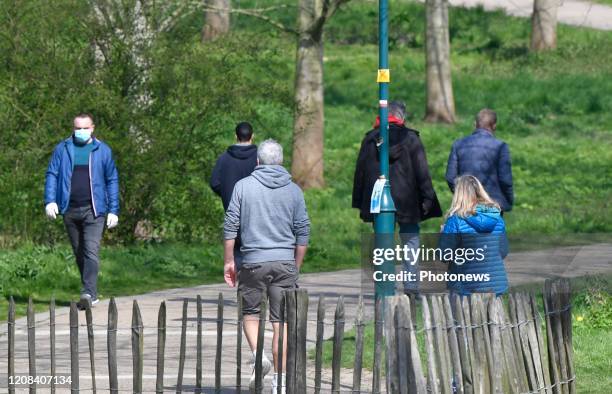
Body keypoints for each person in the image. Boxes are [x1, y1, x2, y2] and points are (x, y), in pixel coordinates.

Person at [223, 139, 310, 393]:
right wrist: (296, 264)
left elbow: (230, 226)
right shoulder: (294, 190)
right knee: (280, 322)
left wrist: (229, 260)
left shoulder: (243, 187)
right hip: (284, 262)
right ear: (281, 162)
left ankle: (257, 355)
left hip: (252, 261)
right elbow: (302, 230)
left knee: (250, 313)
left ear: (257, 161)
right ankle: (280, 384)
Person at [352, 101, 442, 296]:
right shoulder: (411, 139)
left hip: (378, 200)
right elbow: (422, 171)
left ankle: (385, 286)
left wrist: (359, 201)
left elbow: (360, 172)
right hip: (408, 199)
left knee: (383, 242)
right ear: (402, 117)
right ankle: (411, 286)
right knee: (410, 240)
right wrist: (428, 196)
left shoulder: (370, 139)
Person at [44, 113, 120, 310]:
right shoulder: (62, 149)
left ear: (92, 128)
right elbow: (52, 173)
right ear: (73, 128)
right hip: (69, 209)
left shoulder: (103, 151)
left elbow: (112, 179)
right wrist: (50, 200)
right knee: (79, 253)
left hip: (94, 211)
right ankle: (90, 290)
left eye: (85, 128)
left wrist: (113, 210)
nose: (81, 131)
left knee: (90, 250)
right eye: (78, 128)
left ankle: (88, 293)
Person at [439, 175, 509, 295]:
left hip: (465, 287)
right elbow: (503, 251)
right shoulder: (497, 217)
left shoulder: (455, 220)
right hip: (495, 285)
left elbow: (444, 255)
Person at [445, 108, 514, 213]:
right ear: (494, 126)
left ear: (475, 124)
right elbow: (505, 180)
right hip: (493, 205)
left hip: (466, 206)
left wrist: (462, 195)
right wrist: (508, 200)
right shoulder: (500, 147)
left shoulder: (458, 144)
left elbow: (450, 177)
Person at [210, 122, 258, 269]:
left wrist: (227, 194)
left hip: (233, 212)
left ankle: (242, 284)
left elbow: (214, 183)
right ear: (252, 136)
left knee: (237, 251)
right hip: (257, 213)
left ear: (236, 136)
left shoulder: (224, 158)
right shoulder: (260, 158)